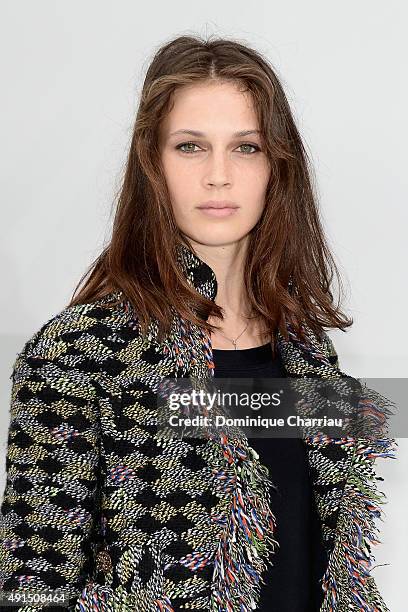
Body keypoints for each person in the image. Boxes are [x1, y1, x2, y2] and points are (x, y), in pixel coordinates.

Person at [0, 35, 396, 612]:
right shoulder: (79, 351)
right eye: (190, 146)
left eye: (246, 147)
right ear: (152, 164)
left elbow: (330, 563)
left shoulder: (309, 350)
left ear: (276, 167)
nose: (218, 175)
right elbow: (33, 586)